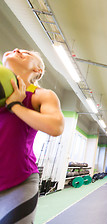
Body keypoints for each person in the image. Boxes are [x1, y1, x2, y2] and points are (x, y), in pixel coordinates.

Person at [0, 48, 64, 223]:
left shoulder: (42, 95)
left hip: (18, 181)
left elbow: (56, 127)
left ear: (38, 70)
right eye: (16, 49)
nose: (17, 50)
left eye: (27, 54)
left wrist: (15, 105)